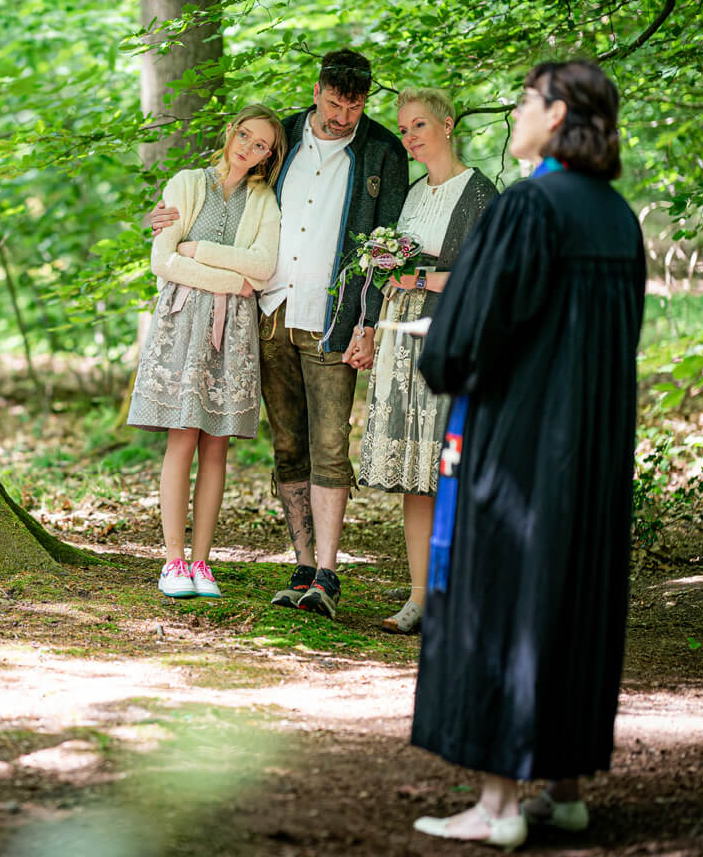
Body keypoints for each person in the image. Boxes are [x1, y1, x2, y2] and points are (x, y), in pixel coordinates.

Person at [408, 60, 643, 850]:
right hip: (594, 452)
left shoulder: (530, 208)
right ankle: (565, 790)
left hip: (518, 444)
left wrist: (439, 356)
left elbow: (466, 336)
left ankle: (499, 805)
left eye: (526, 102)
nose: (514, 113)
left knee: (503, 597)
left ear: (560, 114)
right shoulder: (617, 216)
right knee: (571, 597)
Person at [155, 50, 407, 618]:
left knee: (329, 445)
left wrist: (367, 323)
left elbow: (386, 245)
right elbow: (228, 184)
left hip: (334, 319)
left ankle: (328, 573)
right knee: (288, 444)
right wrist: (171, 218)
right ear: (318, 91)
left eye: (356, 105)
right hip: (265, 314)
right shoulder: (283, 137)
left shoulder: (383, 152)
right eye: (336, 102)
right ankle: (300, 564)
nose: (344, 116)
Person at [355, 88, 497, 634]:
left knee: (451, 464)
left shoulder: (481, 191)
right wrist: (370, 324)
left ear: (447, 123)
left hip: (450, 334)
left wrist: (416, 277)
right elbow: (380, 270)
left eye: (419, 125)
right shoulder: (410, 195)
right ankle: (419, 598)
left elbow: (485, 274)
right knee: (416, 474)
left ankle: (462, 591)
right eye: (404, 128)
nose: (410, 137)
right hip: (400, 336)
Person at [129, 105, 285, 599]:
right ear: (231, 132)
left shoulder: (264, 199)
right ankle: (173, 561)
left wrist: (198, 250)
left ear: (269, 155)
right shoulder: (186, 183)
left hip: (233, 329)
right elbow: (162, 261)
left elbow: (262, 267)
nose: (249, 148)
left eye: (261, 145)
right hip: (182, 320)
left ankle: (202, 562)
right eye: (245, 135)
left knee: (215, 443)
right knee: (182, 437)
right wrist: (230, 278)